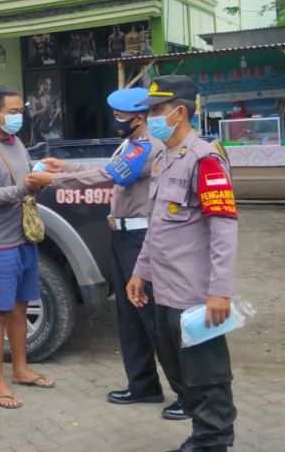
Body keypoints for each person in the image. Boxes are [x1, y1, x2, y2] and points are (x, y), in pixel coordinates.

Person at [41, 87, 188, 421]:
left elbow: (109, 175)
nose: (115, 120)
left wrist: (54, 180)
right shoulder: (133, 143)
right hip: (123, 237)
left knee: (152, 317)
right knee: (129, 316)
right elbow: (111, 169)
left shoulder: (148, 145)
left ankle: (187, 394)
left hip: (141, 238)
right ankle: (143, 385)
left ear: (139, 118)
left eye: (121, 116)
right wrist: (65, 167)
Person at [126, 75, 238, 452]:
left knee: (207, 374)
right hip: (164, 289)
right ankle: (202, 432)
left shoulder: (205, 159)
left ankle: (213, 440)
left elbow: (223, 229)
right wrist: (140, 271)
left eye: (156, 110)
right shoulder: (162, 158)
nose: (150, 118)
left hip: (196, 294)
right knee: (178, 370)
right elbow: (156, 223)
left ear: (179, 112)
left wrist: (220, 292)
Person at [0, 86, 55, 410]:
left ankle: (20, 370)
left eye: (20, 110)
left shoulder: (16, 144)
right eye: (13, 111)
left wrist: (38, 183)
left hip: (23, 240)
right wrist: (21, 188)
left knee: (19, 307)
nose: (19, 116)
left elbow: (24, 187)